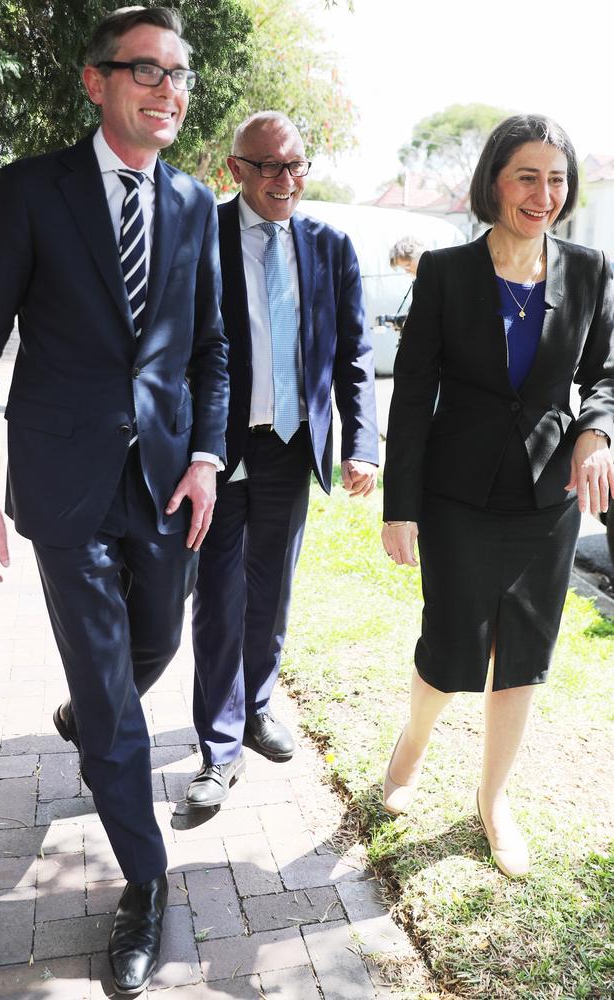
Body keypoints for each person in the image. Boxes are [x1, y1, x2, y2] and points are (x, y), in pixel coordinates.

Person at [0, 7, 228, 993]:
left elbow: (210, 351)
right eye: (146, 71)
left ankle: (86, 705)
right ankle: (147, 881)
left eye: (179, 75)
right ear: (95, 82)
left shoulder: (198, 205)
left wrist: (205, 455)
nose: (168, 90)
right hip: (64, 483)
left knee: (155, 639)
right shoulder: (32, 191)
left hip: (164, 482)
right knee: (121, 708)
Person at [381, 114, 614, 879]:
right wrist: (400, 504)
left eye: (556, 179)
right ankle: (412, 743)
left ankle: (493, 800)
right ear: (494, 182)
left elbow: (607, 375)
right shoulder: (446, 273)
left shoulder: (589, 269)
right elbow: (412, 393)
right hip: (457, 495)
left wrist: (595, 431)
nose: (543, 193)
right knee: (451, 650)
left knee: (521, 658)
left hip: (546, 503)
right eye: (527, 176)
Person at [187, 111, 379, 808]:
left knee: (271, 593)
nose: (285, 179)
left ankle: (258, 702)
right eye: (268, 165)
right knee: (219, 598)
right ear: (236, 168)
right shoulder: (200, 233)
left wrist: (361, 444)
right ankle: (218, 747)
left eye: (295, 164)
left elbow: (354, 355)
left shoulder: (330, 246)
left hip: (293, 448)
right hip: (217, 450)